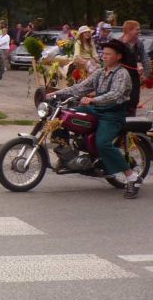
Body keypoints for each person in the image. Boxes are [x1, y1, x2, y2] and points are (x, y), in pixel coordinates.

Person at [48, 39, 140, 198]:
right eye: (103, 54)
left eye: (108, 54)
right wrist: (57, 93)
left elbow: (115, 94)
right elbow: (80, 87)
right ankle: (66, 156)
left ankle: (132, 177)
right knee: (63, 116)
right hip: (96, 109)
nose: (104, 56)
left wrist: (93, 99)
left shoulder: (122, 74)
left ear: (118, 56)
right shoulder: (100, 72)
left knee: (102, 143)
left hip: (113, 113)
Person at [120, 20, 148, 116]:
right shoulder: (118, 44)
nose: (139, 32)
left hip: (134, 77)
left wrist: (146, 74)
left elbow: (145, 59)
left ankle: (131, 124)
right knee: (121, 101)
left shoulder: (139, 44)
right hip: (120, 77)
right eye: (137, 29)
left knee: (134, 100)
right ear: (129, 30)